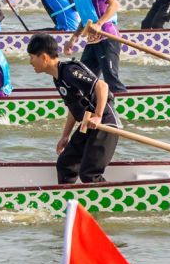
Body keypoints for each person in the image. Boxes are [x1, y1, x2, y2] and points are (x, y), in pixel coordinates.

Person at [27, 33, 119, 184]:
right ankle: (68, 201)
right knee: (65, 164)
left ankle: (102, 203)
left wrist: (98, 115)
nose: (30, 62)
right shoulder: (58, 78)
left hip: (104, 124)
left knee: (89, 174)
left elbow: (102, 86)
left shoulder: (69, 71)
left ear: (44, 57)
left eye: (32, 57)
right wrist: (65, 136)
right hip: (87, 125)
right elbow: (74, 106)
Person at [59, 0, 125, 93]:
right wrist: (73, 38)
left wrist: (99, 24)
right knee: (83, 79)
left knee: (111, 79)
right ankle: (88, 109)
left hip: (107, 37)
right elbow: (85, 18)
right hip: (93, 40)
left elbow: (114, 4)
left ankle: (124, 106)